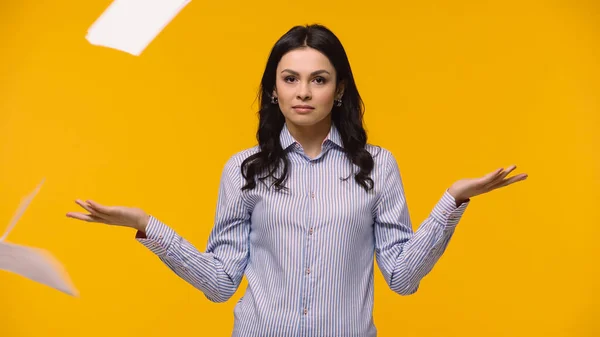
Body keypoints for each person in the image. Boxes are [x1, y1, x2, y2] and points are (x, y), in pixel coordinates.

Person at [66, 24, 527, 336]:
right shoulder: (244, 170)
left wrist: (453, 201)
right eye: (290, 78)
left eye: (319, 79)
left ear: (339, 88)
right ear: (274, 88)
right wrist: (146, 225)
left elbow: (403, 278)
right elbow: (221, 283)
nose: (303, 91)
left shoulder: (377, 166)